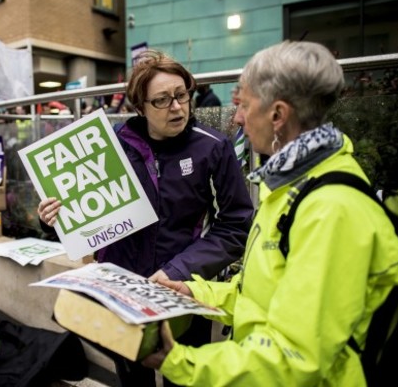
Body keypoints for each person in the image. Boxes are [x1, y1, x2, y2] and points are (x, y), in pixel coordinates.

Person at [141, 41, 398, 386]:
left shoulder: (330, 210)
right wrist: (196, 293)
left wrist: (178, 361)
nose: (236, 118)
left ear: (278, 115)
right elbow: (261, 293)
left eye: (244, 105)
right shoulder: (288, 186)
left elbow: (297, 361)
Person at [38, 49, 254, 387]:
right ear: (140, 106)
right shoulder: (109, 147)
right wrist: (54, 217)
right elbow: (84, 219)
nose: (177, 107)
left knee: (184, 378)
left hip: (185, 290)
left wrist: (179, 271)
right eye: (163, 100)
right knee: (132, 377)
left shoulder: (213, 147)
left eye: (182, 95)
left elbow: (235, 225)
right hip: (121, 291)